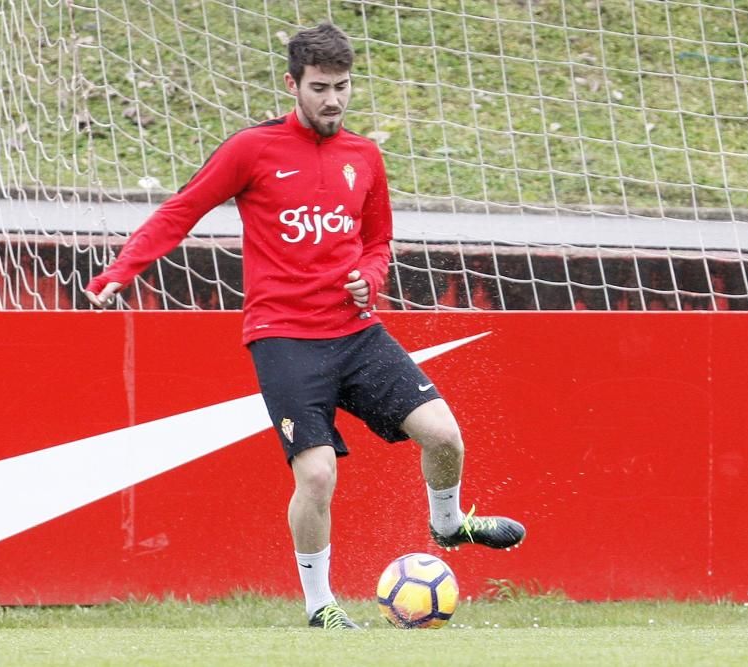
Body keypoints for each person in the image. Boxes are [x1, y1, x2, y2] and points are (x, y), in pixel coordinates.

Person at [85, 22, 525, 630]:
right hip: (285, 337)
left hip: (356, 331)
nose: (333, 100)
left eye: (342, 87)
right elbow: (181, 210)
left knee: (446, 437)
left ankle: (447, 523)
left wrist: (368, 278)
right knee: (317, 473)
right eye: (320, 87)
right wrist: (120, 270)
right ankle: (321, 607)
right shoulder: (251, 150)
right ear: (292, 84)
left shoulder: (364, 156)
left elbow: (378, 242)